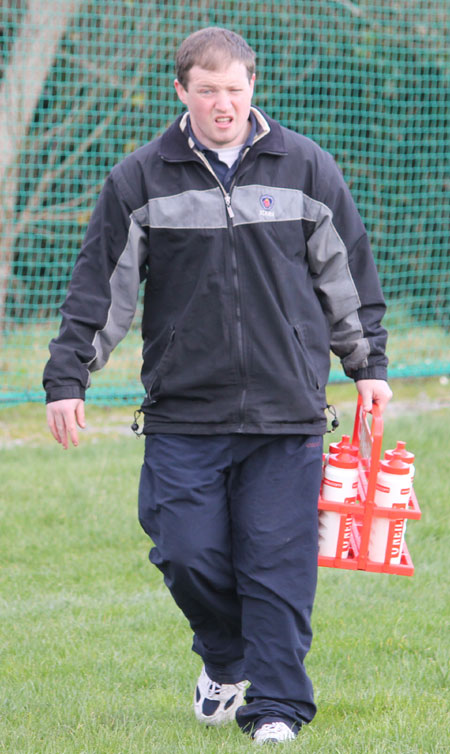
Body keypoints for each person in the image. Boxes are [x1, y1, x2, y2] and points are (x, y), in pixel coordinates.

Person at [43, 27, 392, 745]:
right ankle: (226, 661)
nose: (223, 105)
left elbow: (345, 278)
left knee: (276, 562)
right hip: (183, 410)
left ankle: (277, 709)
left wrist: (370, 368)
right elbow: (100, 291)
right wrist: (67, 377)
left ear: (252, 88)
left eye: (235, 90)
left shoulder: (306, 168)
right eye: (208, 91)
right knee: (185, 552)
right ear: (183, 92)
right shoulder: (140, 178)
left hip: (286, 410)